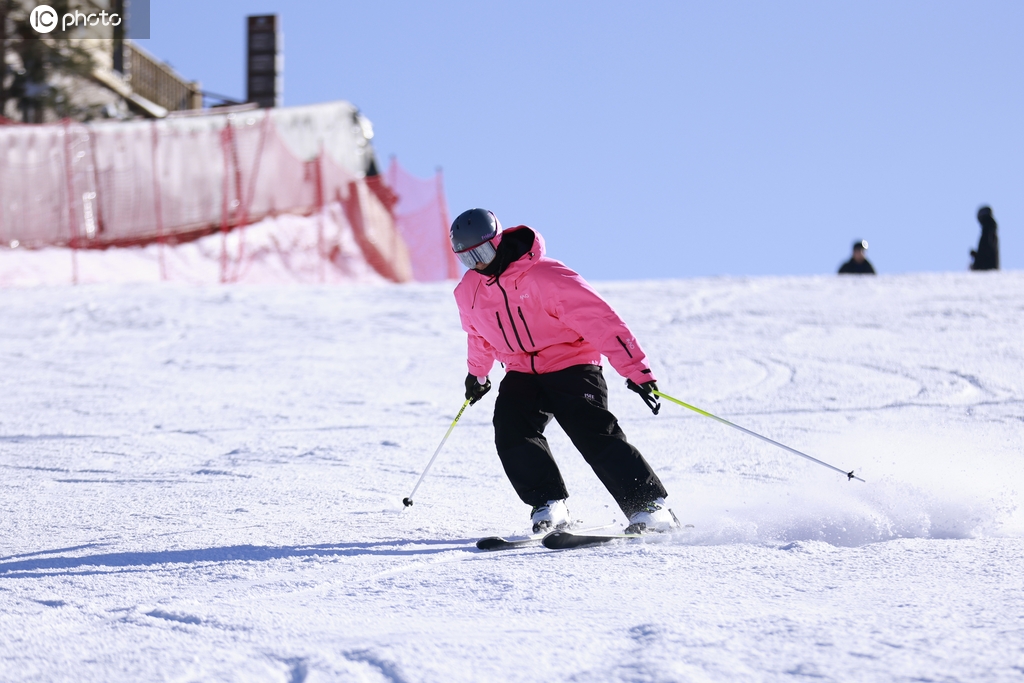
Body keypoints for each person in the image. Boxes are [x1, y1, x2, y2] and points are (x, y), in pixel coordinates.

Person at [450, 208, 678, 534]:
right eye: (467, 258)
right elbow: (478, 335)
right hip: (521, 369)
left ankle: (650, 506)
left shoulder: (546, 276)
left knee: (589, 427)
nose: (479, 263)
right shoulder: (469, 291)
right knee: (511, 427)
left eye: (482, 252)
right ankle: (549, 503)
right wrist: (478, 375)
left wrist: (637, 372)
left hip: (571, 361)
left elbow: (600, 320)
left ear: (498, 241)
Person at [970, 206, 999, 271]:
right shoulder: (991, 229)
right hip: (989, 268)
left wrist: (978, 262)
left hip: (986, 269)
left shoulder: (988, 229)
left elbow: (986, 248)